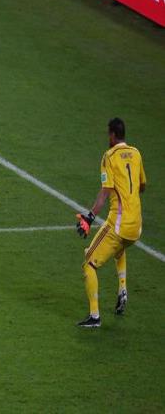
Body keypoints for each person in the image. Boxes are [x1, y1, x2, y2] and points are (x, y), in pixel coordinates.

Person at [75, 118, 146, 328]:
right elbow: (142, 186)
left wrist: (89, 218)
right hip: (136, 227)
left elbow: (105, 192)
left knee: (89, 262)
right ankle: (122, 288)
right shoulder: (136, 153)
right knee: (119, 246)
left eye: (109, 134)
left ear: (113, 135)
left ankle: (94, 316)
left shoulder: (109, 156)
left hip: (119, 225)